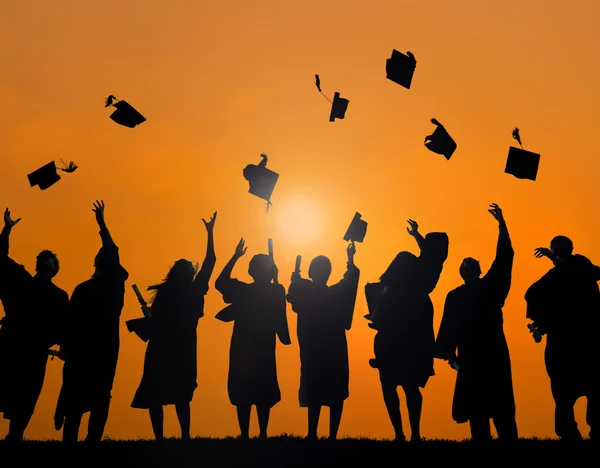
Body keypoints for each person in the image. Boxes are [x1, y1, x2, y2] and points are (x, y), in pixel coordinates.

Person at [435, 203, 518, 441]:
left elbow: (448, 329)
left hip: (471, 355)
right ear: (480, 270)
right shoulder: (490, 286)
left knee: (477, 408)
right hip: (494, 352)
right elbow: (504, 258)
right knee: (501, 404)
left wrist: (449, 353)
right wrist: (501, 225)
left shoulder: (455, 296)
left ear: (461, 273)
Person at [130, 211, 217, 440]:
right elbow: (210, 262)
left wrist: (149, 316)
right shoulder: (194, 290)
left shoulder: (165, 294)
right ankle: (185, 436)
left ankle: (161, 438)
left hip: (162, 347)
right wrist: (210, 234)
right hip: (183, 346)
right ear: (189, 275)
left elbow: (155, 322)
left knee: (157, 393)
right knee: (180, 393)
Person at [364, 220, 448, 442]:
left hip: (398, 336)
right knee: (408, 387)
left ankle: (403, 433)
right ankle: (412, 434)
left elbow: (428, 256)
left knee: (394, 385)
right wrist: (417, 235)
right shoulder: (426, 275)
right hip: (410, 338)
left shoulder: (409, 272)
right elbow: (430, 255)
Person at [54, 200, 129, 443]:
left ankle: (79, 441)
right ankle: (91, 441)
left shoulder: (99, 286)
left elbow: (69, 322)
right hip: (100, 349)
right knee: (97, 397)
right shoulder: (112, 286)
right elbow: (70, 321)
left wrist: (102, 224)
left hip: (90, 349)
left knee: (83, 397)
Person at [0, 208, 69, 441]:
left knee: (27, 397)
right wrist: (7, 229)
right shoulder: (23, 281)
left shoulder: (59, 296)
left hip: (33, 351)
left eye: (49, 258)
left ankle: (14, 437)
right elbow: (0, 258)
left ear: (54, 268)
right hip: (13, 347)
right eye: (43, 257)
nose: (45, 259)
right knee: (10, 391)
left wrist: (64, 348)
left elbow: (62, 327)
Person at [525, 235, 599, 441]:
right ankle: (568, 434)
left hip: (586, 341)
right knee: (563, 395)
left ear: (571, 249)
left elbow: (574, 274)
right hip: (562, 344)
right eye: (554, 248)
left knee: (594, 389)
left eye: (559, 248)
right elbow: (531, 294)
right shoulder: (551, 278)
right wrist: (540, 323)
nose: (557, 251)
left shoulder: (581, 264)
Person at [215, 238, 291, 440]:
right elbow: (281, 320)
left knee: (245, 390)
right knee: (261, 390)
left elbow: (220, 282)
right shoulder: (276, 290)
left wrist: (235, 257)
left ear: (252, 272)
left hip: (244, 347)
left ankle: (246, 433)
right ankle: (262, 432)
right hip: (262, 347)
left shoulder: (244, 291)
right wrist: (276, 280)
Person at [286, 242, 360, 440]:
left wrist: (295, 280)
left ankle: (312, 433)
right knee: (332, 390)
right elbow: (351, 279)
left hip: (313, 349)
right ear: (328, 273)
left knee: (315, 389)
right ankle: (332, 435)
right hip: (334, 347)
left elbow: (292, 296)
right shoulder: (335, 293)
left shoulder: (305, 292)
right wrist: (350, 258)